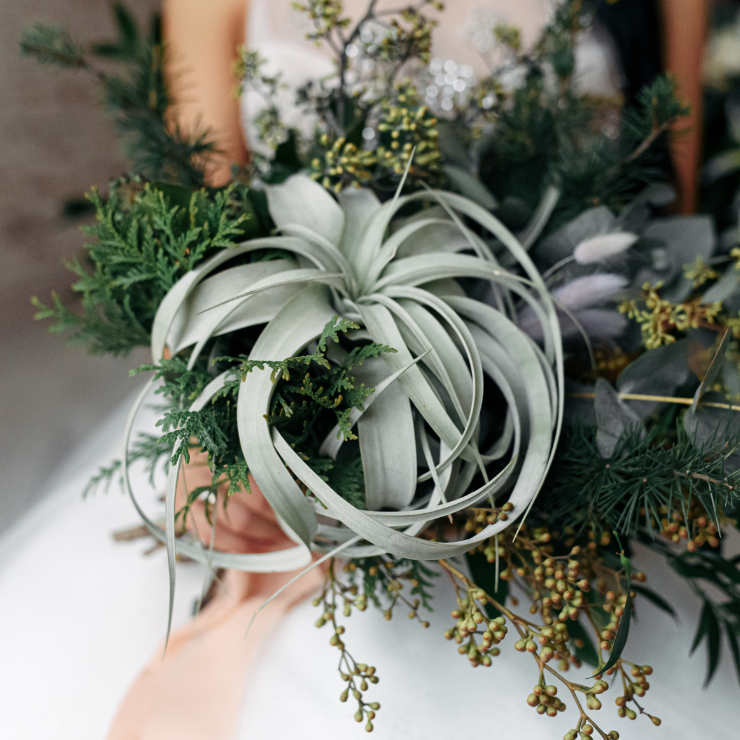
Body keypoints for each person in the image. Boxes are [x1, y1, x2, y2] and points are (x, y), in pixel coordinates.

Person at [1, 2, 736, 740]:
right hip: (284, 439)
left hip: (561, 452)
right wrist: (220, 438)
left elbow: (670, 256)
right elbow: (198, 249)